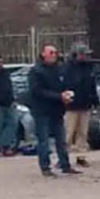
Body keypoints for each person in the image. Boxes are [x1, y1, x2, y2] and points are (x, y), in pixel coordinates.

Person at [28, 44, 76, 176]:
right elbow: (37, 91)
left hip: (57, 110)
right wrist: (58, 96)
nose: (54, 55)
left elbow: (63, 85)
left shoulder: (59, 70)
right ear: (43, 54)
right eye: (51, 52)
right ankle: (45, 167)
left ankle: (65, 165)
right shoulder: (36, 71)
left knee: (61, 140)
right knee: (43, 140)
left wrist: (66, 95)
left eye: (55, 52)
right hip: (42, 111)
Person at [63, 44, 99, 166]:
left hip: (85, 103)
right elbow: (65, 85)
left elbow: (92, 85)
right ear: (76, 54)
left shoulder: (88, 67)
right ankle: (63, 156)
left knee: (83, 132)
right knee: (69, 132)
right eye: (84, 54)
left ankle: (81, 156)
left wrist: (95, 101)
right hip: (71, 105)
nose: (86, 56)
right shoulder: (67, 68)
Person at [0, 54, 20, 156]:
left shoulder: (5, 73)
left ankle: (1, 145)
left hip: (9, 103)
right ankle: (2, 148)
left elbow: (10, 86)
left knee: (13, 123)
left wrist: (13, 99)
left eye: (1, 62)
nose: (0, 64)